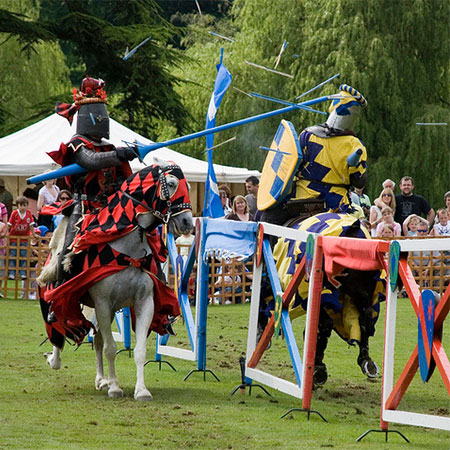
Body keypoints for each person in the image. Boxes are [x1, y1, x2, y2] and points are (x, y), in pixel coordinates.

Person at [47, 76, 138, 285]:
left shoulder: (108, 146)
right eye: (97, 113)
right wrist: (121, 154)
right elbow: (92, 161)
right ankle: (59, 295)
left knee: (140, 235)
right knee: (68, 250)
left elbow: (124, 177)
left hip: (109, 205)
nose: (101, 118)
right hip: (84, 206)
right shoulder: (77, 145)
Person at [260, 84, 368, 225]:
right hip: (338, 205)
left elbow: (292, 169)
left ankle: (262, 247)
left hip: (304, 201)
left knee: (267, 221)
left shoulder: (309, 134)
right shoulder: (355, 145)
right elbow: (359, 182)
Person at [7, 196, 39, 280]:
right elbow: (9, 225)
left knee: (23, 256)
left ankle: (23, 273)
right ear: (17, 206)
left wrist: (34, 234)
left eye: (24, 205)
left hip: (24, 238)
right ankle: (11, 273)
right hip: (14, 237)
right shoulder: (14, 213)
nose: (23, 207)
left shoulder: (28, 213)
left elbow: (31, 225)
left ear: (27, 206)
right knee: (12, 256)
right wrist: (6, 233)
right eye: (21, 205)